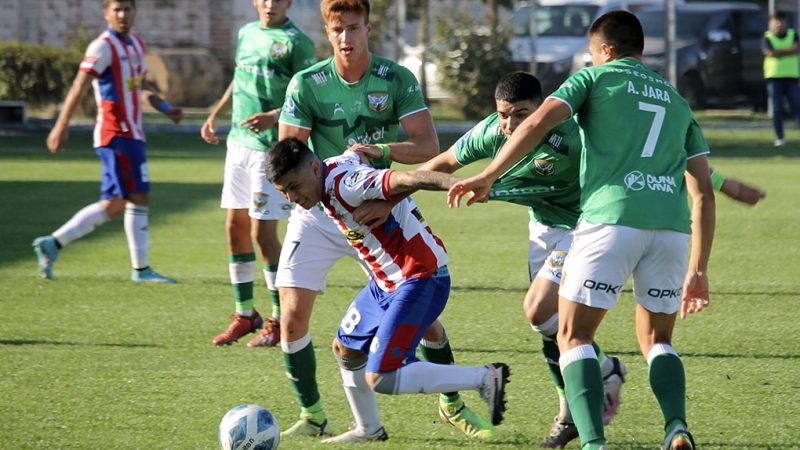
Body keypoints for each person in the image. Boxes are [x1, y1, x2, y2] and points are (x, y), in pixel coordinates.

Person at [449, 11, 715, 450]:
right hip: (671, 229)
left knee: (574, 336)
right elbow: (703, 191)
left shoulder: (594, 80)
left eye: (592, 54)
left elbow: (536, 123)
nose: (590, 61)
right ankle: (676, 427)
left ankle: (592, 443)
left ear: (605, 51)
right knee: (658, 341)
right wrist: (699, 269)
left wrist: (488, 176)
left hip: (609, 221)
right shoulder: (676, 99)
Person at [275, 0, 496, 440]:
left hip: (381, 208)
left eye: (353, 28)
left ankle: (453, 401)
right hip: (320, 208)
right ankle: (315, 414)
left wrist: (378, 158)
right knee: (292, 318)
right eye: (337, 30)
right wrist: (329, 184)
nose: (345, 38)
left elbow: (427, 145)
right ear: (326, 30)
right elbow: (289, 157)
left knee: (422, 315)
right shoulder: (306, 83)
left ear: (368, 28)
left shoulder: (396, 78)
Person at [266, 137, 510, 443]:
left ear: (315, 168)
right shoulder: (329, 175)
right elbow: (353, 155)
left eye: (294, 186)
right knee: (346, 349)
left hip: (420, 276)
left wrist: (459, 184)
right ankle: (368, 429)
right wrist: (359, 150)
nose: (292, 197)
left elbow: (411, 178)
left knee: (381, 376)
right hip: (386, 282)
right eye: (284, 191)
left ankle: (486, 378)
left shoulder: (346, 183)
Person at [34, 0, 182, 283]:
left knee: (122, 201)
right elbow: (79, 84)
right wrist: (60, 126)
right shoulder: (102, 46)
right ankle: (140, 270)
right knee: (128, 198)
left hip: (133, 134)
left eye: (127, 8)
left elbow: (140, 88)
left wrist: (165, 108)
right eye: (117, 9)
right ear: (106, 14)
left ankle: (53, 243)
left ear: (135, 11)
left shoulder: (137, 45)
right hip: (114, 134)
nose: (123, 14)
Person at [200, 0, 316, 347]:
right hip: (237, 143)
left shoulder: (298, 43)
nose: (270, 4)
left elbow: (307, 96)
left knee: (262, 234)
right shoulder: (246, 33)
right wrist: (215, 113)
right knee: (234, 229)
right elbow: (239, 78)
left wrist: (275, 115)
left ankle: (280, 319)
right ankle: (245, 313)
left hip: (270, 150)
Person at [763, 11, 800, 147]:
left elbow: (796, 49)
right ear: (770, 23)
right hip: (774, 77)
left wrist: (779, 52)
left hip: (791, 76)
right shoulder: (767, 37)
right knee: (777, 109)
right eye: (775, 21)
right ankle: (780, 138)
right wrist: (788, 50)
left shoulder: (793, 34)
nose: (779, 24)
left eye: (781, 21)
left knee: (797, 105)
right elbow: (770, 53)